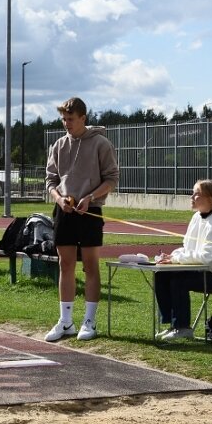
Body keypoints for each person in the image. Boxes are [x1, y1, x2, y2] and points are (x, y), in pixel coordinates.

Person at [44, 97, 120, 342]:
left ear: (83, 118)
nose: (67, 124)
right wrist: (58, 199)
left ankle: (90, 321)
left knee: (90, 266)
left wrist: (90, 197)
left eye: (71, 119)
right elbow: (51, 181)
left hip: (90, 211)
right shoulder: (58, 145)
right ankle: (66, 322)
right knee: (65, 265)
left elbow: (111, 178)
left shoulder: (100, 143)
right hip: (64, 212)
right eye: (64, 119)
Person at [153, 180, 212, 341]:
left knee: (178, 281)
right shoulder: (196, 217)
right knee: (161, 274)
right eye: (193, 192)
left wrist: (177, 260)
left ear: (210, 199)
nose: (192, 197)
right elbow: (188, 247)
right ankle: (172, 324)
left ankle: (183, 328)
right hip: (204, 269)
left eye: (197, 194)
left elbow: (207, 258)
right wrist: (172, 257)